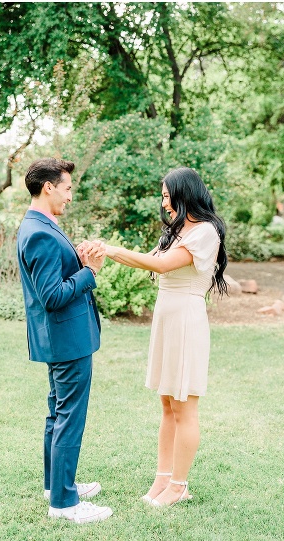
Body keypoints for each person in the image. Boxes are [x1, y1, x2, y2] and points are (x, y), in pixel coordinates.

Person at [100, 166, 228, 507]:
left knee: (185, 406)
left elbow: (159, 266)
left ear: (184, 195)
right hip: (166, 318)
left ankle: (180, 485)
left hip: (186, 319)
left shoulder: (205, 232)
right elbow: (147, 260)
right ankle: (163, 477)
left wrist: (109, 249)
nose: (164, 202)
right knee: (168, 405)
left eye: (167, 195)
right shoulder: (175, 233)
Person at [16, 157, 113, 524]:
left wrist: (79, 261)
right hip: (66, 340)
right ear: (49, 187)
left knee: (58, 413)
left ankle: (56, 485)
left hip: (60, 339)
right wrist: (90, 272)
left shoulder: (40, 224)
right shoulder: (38, 231)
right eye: (69, 188)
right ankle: (64, 504)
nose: (71, 196)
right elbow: (52, 296)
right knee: (69, 417)